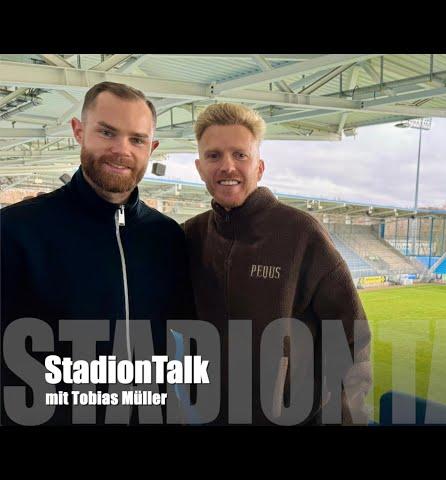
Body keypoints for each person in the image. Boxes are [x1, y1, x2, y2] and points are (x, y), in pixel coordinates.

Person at [0, 81, 194, 425]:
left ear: (152, 147)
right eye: (107, 132)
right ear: (78, 131)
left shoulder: (167, 237)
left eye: (137, 139)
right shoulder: (17, 230)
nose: (122, 150)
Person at [183, 103, 372, 425]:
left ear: (259, 167)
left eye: (240, 155)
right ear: (200, 168)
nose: (227, 166)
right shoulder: (191, 236)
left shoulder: (301, 233)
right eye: (214, 156)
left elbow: (351, 339)